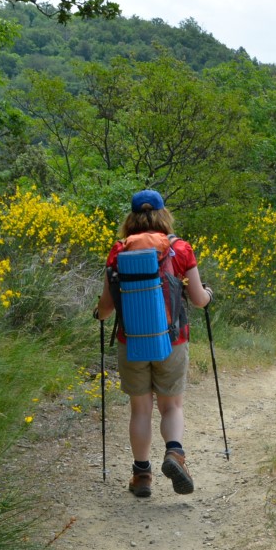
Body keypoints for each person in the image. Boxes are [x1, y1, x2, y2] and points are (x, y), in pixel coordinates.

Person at [94, 189, 212, 498]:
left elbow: (106, 307)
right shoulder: (180, 248)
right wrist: (209, 294)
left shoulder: (118, 250)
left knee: (140, 409)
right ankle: (174, 453)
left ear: (130, 218)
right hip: (172, 340)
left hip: (131, 341)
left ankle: (142, 476)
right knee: (170, 405)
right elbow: (199, 300)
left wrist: (98, 312)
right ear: (164, 215)